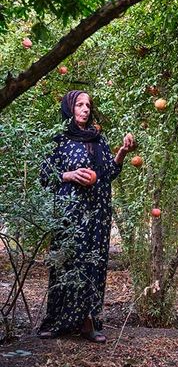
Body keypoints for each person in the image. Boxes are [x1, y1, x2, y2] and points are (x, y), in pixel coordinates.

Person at [38, 90, 135, 343]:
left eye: (88, 105)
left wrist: (123, 151)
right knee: (67, 262)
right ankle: (59, 322)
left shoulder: (98, 140)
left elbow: (109, 173)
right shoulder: (58, 139)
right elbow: (45, 176)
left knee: (92, 265)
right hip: (70, 215)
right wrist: (69, 176)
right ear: (69, 108)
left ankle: (88, 323)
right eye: (79, 105)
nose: (85, 109)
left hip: (97, 214)